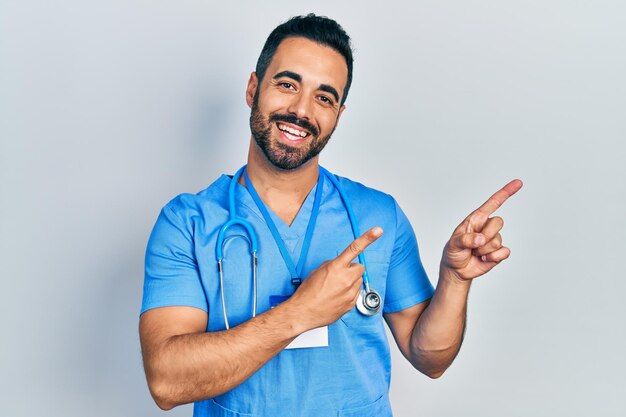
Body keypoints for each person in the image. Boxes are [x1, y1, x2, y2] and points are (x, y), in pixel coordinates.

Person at [139, 14, 522, 416]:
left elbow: (431, 358)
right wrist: (300, 313)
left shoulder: (377, 215)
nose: (301, 110)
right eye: (287, 84)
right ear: (253, 88)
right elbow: (167, 382)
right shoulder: (188, 222)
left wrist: (455, 280)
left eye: (324, 97)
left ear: (338, 114)